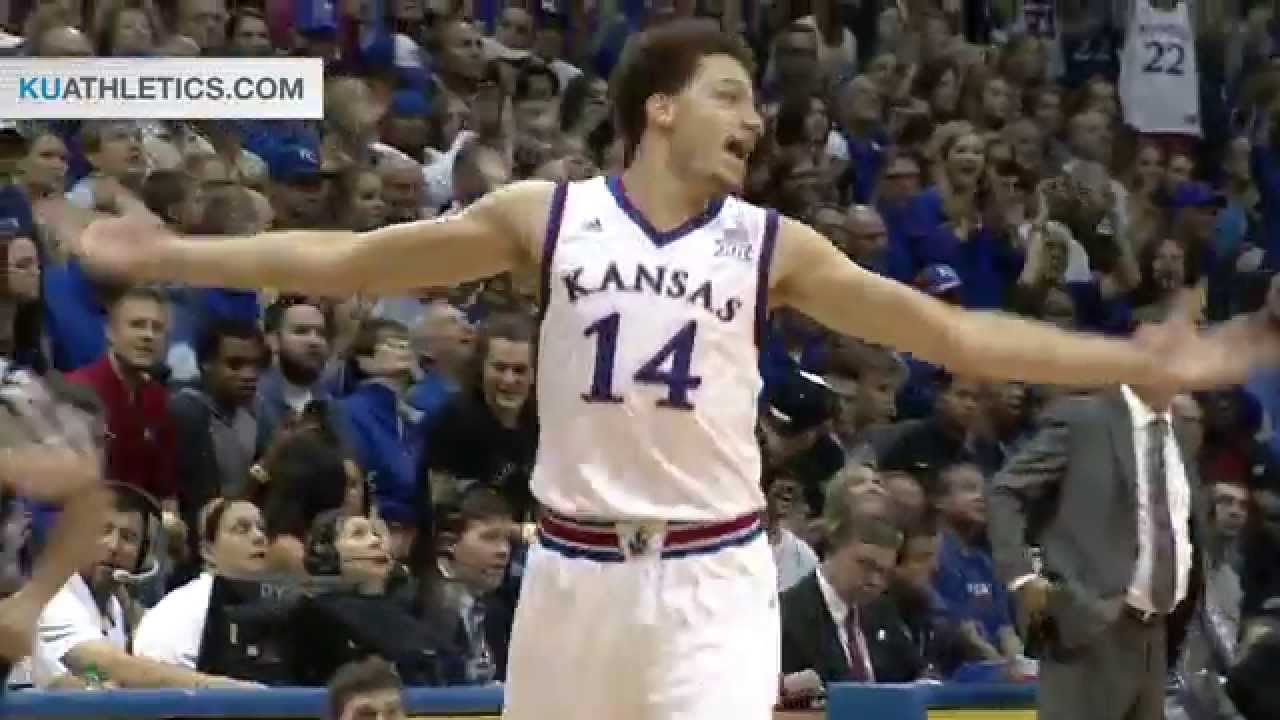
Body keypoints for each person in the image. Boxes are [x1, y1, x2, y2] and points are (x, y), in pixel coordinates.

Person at [74, 19, 1273, 720]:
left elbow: (953, 338)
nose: (753, 120)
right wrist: (176, 248)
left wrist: (1128, 354)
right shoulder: (544, 216)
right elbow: (347, 256)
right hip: (570, 580)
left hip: (709, 578)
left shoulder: (773, 246)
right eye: (731, 96)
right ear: (656, 110)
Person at [987, 384, 1204, 720]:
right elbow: (1006, 490)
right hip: (1088, 622)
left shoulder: (1178, 434)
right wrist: (1021, 575)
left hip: (1157, 630)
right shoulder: (1084, 419)